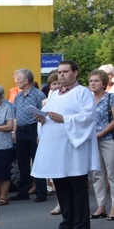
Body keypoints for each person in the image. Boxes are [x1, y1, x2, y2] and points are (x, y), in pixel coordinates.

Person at [32, 61, 98, 229]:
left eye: (65, 71)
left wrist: (65, 119)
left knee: (77, 187)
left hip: (73, 149)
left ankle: (81, 227)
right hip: (55, 149)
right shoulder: (53, 94)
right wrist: (42, 119)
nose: (61, 75)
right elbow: (48, 115)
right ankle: (67, 222)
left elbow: (88, 117)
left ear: (75, 73)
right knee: (61, 187)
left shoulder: (83, 92)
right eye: (59, 72)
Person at [9, 68, 49, 202]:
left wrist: (40, 132)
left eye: (18, 79)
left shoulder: (38, 95)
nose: (16, 81)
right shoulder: (18, 97)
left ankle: (41, 192)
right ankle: (23, 191)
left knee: (37, 160)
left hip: (34, 129)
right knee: (22, 162)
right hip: (21, 130)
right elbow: (14, 115)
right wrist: (14, 131)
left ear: (26, 81)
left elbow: (44, 115)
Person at [86, 69, 114, 219]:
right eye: (91, 81)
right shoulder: (87, 100)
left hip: (108, 139)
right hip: (92, 141)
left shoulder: (111, 98)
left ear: (103, 83)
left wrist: (102, 133)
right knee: (97, 174)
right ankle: (101, 206)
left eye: (96, 81)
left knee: (112, 174)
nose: (93, 83)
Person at [43, 72, 62, 215]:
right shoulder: (46, 102)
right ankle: (59, 203)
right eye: (53, 84)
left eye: (58, 83)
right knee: (54, 175)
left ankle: (62, 204)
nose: (56, 86)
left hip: (62, 140)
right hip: (50, 140)